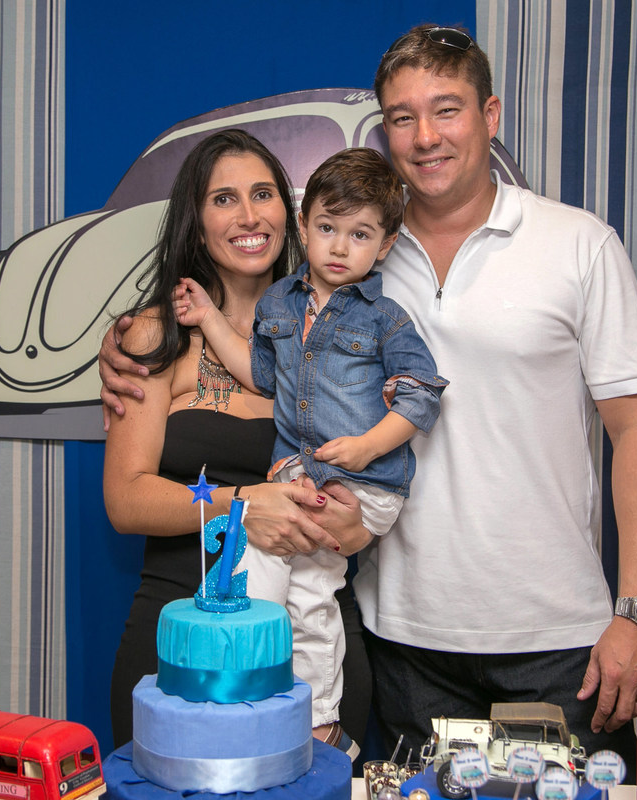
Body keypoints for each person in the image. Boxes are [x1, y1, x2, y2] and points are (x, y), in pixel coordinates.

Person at [100, 25, 637, 771]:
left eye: (447, 109)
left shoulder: (575, 244)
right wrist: (142, 339)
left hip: (556, 639)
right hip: (402, 639)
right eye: (403, 117)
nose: (425, 136)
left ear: (490, 115)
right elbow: (252, 373)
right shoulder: (343, 268)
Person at [102, 129, 373, 753]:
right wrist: (245, 505)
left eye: (263, 194)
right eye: (224, 199)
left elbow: (374, 481)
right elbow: (126, 500)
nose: (249, 216)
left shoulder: (346, 335)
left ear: (291, 214)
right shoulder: (155, 336)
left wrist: (355, 528)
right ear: (197, 226)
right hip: (184, 637)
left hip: (314, 641)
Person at [171, 147, 448, 756]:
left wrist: (367, 446)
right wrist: (211, 318)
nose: (339, 247)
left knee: (311, 589)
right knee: (268, 569)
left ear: (386, 243)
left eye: (360, 235)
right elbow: (260, 375)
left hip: (366, 483)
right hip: (305, 475)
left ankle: (318, 720)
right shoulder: (280, 305)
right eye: (327, 228)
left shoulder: (384, 318)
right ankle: (258, 678)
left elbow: (422, 394)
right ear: (303, 226)